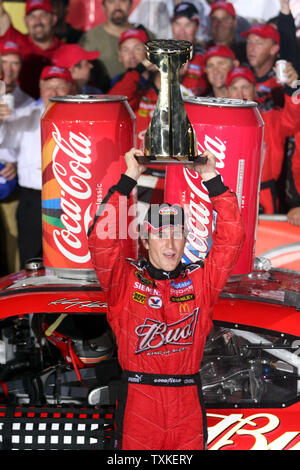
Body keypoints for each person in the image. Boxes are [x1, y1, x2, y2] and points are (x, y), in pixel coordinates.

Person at [87, 147, 245, 450]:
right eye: (161, 234)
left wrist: (211, 177)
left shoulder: (202, 281)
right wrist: (128, 179)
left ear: (187, 238)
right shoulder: (124, 281)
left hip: (186, 401)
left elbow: (232, 237)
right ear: (145, 241)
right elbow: (101, 241)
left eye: (177, 233)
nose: (170, 244)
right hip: (139, 402)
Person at [0, 65, 73, 267]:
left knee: (66, 258)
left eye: (60, 87)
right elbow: (4, 142)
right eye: (49, 87)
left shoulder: (81, 118)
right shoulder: (26, 114)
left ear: (71, 88)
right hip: (32, 198)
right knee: (31, 260)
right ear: (40, 88)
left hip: (69, 200)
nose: (54, 93)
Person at [226, 65, 300, 216]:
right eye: (234, 88)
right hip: (227, 194)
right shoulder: (217, 124)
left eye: (245, 87)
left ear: (255, 89)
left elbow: (292, 121)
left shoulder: (270, 118)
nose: (240, 94)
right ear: (227, 92)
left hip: (264, 196)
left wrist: (293, 89)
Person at [0, 39, 35, 274]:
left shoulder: (29, 102)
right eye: (4, 62)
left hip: (8, 184)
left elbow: (28, 144)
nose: (8, 69)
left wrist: (14, 161)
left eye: (15, 63)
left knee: (12, 246)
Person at [79, 0, 155, 91]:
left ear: (131, 5)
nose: (117, 7)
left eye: (123, 1)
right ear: (104, 6)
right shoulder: (89, 38)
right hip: (103, 97)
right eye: (111, 2)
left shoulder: (147, 35)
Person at [171, 2, 207, 96]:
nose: (182, 31)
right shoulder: (159, 55)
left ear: (197, 28)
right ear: (172, 26)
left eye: (187, 25)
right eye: (178, 24)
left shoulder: (205, 58)